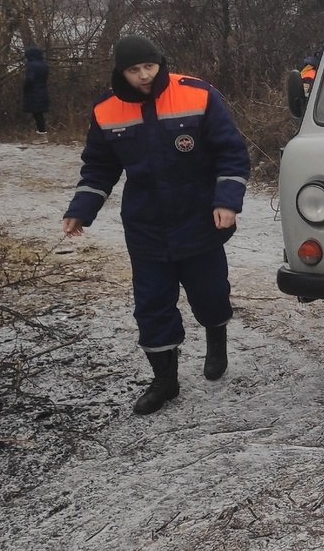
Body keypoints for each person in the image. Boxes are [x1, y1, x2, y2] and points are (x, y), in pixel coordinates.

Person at [62, 34, 251, 415]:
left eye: (150, 66)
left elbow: (231, 152)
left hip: (199, 216)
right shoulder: (106, 110)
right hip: (146, 224)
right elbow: (99, 166)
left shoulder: (197, 94)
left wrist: (227, 202)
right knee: (151, 306)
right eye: (134, 70)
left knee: (210, 293)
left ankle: (216, 340)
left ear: (160, 63)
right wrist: (81, 208)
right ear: (121, 72)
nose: (145, 76)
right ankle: (165, 381)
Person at [23, 46, 50, 143]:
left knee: (37, 114)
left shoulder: (31, 65)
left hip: (33, 92)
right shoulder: (44, 65)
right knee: (39, 114)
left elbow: (30, 79)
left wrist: (25, 87)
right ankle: (42, 134)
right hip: (43, 91)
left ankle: (42, 136)